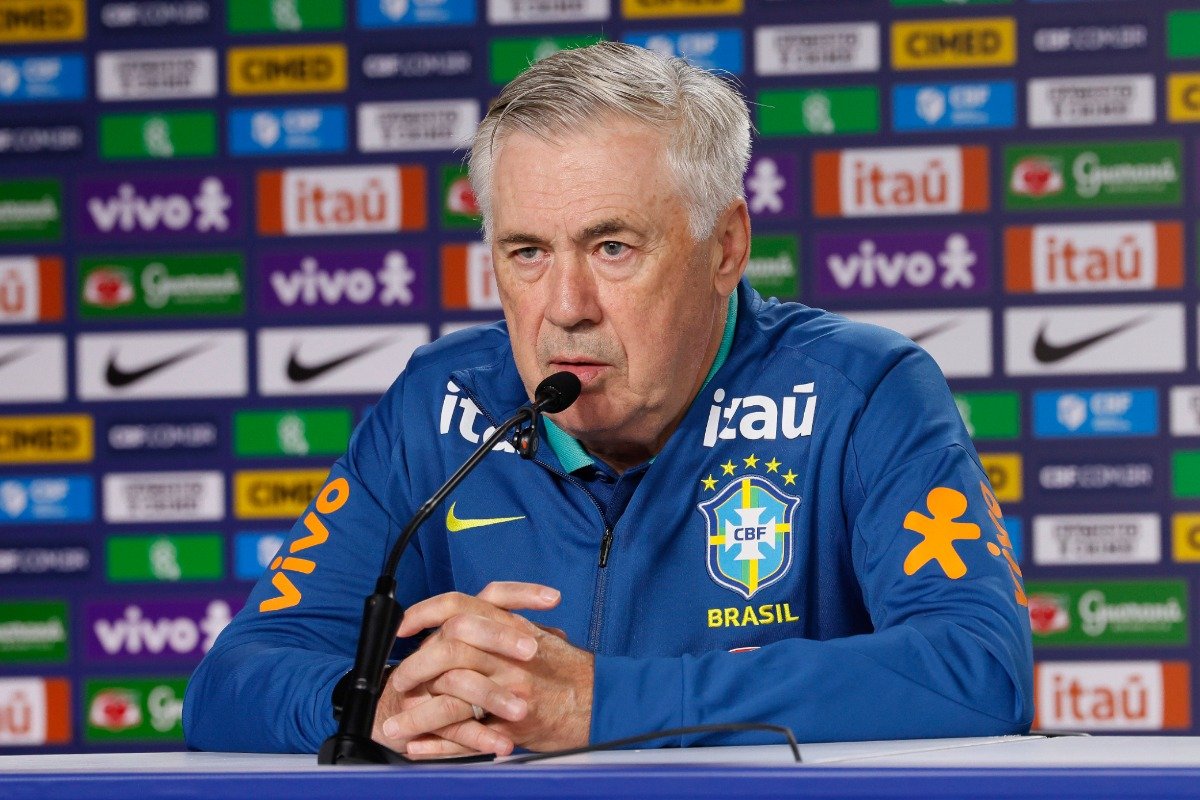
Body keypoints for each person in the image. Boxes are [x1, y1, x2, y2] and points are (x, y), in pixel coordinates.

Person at [184, 42, 1033, 757]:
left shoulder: (861, 392)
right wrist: (369, 706)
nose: (565, 305)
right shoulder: (441, 406)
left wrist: (598, 704)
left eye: (614, 247)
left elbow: (975, 670)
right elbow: (232, 681)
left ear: (726, 246)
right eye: (526, 252)